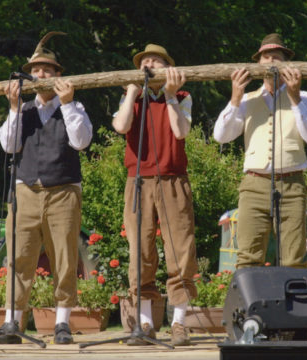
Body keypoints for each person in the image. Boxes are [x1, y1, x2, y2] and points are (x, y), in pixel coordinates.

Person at [0, 32, 93, 345]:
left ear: (59, 75)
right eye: (36, 70)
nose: (41, 75)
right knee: (19, 259)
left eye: (47, 70)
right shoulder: (23, 109)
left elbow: (81, 141)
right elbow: (9, 145)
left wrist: (68, 102)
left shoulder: (74, 106)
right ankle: (12, 323)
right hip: (25, 192)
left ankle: (61, 323)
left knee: (65, 257)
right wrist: (13, 108)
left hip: (63, 192)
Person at [112, 44, 198, 346]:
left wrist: (171, 95)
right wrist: (133, 93)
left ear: (167, 67)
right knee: (140, 251)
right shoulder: (131, 98)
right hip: (138, 180)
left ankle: (178, 323)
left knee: (180, 250)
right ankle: (145, 324)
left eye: (156, 61)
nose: (149, 64)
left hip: (173, 180)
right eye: (145, 61)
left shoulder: (182, 96)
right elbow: (121, 126)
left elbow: (180, 132)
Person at [213, 33, 307, 269]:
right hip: (254, 185)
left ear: (287, 65)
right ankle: (249, 305)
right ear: (257, 65)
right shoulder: (246, 99)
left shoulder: (304, 97)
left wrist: (294, 98)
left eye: (276, 57)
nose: (271, 62)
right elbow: (221, 136)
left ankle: (294, 305)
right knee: (248, 257)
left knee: (294, 258)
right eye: (266, 57)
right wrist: (235, 97)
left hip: (292, 184)